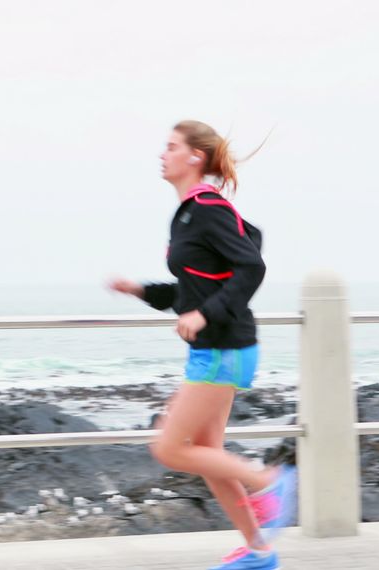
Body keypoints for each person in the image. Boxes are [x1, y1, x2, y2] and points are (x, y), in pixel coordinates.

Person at [109, 120, 295, 570]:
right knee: (209, 456)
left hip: (224, 348)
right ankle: (258, 552)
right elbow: (190, 291)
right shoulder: (189, 213)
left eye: (171, 146)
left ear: (195, 157)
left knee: (169, 447)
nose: (162, 154)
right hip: (213, 349)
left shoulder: (208, 208)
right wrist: (140, 290)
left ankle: (270, 482)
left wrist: (204, 315)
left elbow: (251, 268)